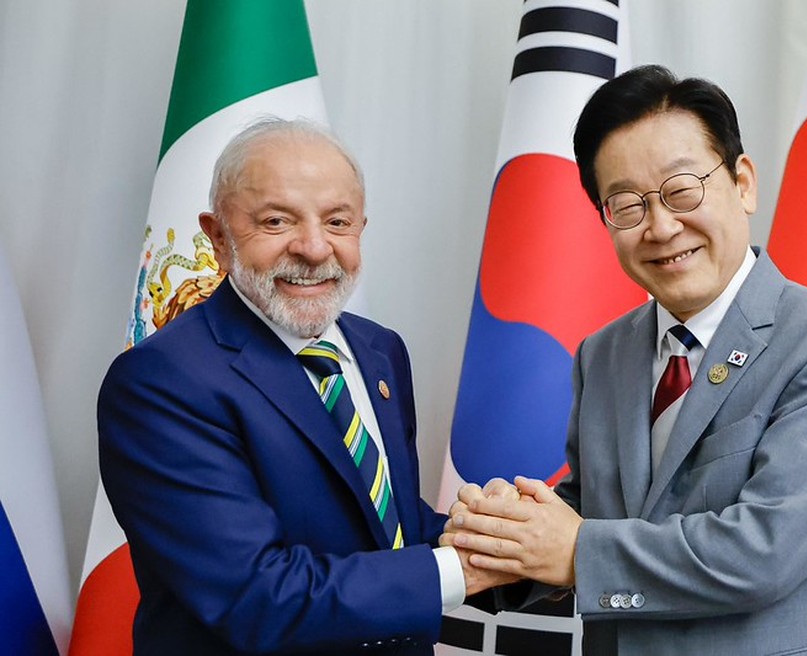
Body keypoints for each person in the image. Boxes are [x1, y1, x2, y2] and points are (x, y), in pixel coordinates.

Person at [444, 65, 807, 655]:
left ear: (743, 184)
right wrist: (504, 536)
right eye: (626, 205)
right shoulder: (603, 353)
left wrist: (576, 551)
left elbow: (765, 551)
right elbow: (600, 509)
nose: (660, 227)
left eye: (682, 191)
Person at [98, 118, 507, 655]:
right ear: (218, 237)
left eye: (337, 222)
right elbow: (257, 596)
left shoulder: (380, 351)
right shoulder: (160, 382)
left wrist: (508, 541)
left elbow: (384, 525)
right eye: (276, 221)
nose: (315, 248)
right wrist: (462, 570)